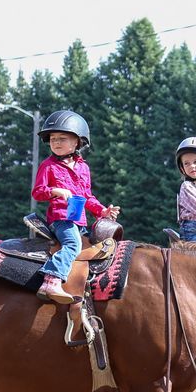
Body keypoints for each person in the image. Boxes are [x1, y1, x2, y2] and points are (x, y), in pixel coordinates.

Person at [31, 111, 120, 304]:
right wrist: (55, 191)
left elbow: (87, 197)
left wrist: (102, 211)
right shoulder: (48, 166)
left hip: (79, 221)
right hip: (60, 220)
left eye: (62, 138)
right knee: (73, 245)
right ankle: (52, 280)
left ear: (77, 142)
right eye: (53, 139)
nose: (56, 142)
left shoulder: (83, 168)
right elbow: (37, 192)